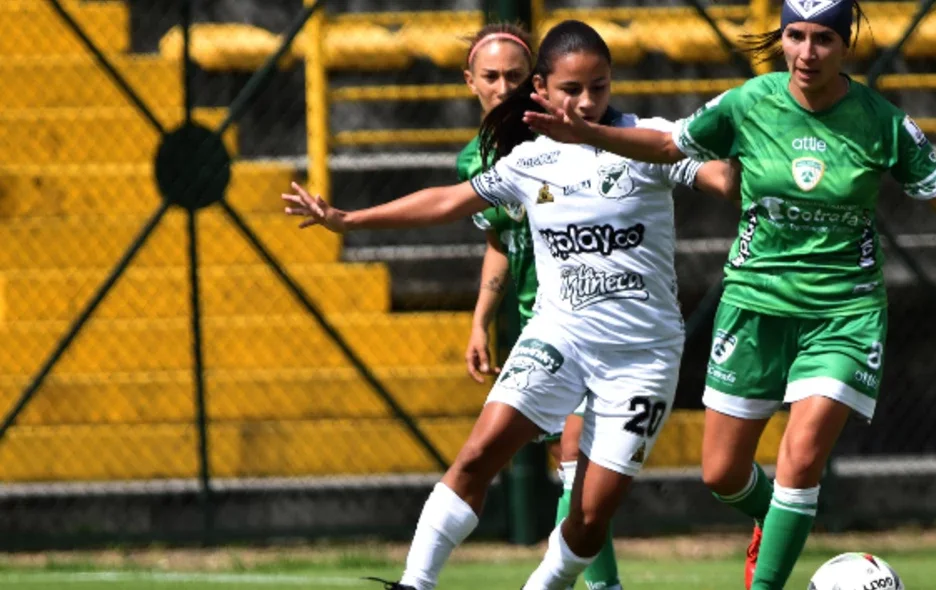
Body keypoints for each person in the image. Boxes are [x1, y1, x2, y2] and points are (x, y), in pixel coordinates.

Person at [522, 2, 936, 588]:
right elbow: (672, 146)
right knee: (722, 473)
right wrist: (588, 134)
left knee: (801, 458)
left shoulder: (881, 122)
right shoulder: (749, 102)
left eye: (822, 38)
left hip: (843, 312)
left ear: (845, 44)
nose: (807, 52)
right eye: (795, 36)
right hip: (754, 305)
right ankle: (774, 519)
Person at [283, 19, 738, 590]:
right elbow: (449, 201)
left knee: (590, 517)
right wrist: (349, 219)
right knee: (477, 455)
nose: (587, 102)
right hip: (558, 338)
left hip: (642, 357)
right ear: (541, 89)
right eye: (571, 89)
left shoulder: (650, 140)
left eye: (599, 86)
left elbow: (723, 180)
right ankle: (415, 583)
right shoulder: (530, 161)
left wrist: (747, 149)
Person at [457, 22, 625, 590]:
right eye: (490, 76)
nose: (502, 87)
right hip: (537, 326)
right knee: (567, 464)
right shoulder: (474, 161)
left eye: (513, 75)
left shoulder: (568, 137)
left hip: (588, 318)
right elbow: (499, 244)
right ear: (470, 81)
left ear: (535, 82)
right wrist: (480, 322)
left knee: (577, 459)